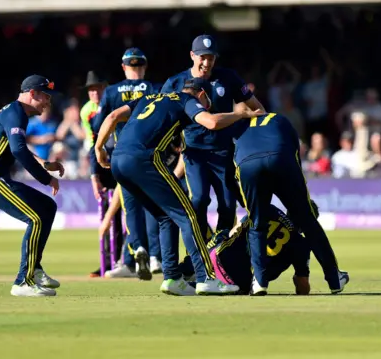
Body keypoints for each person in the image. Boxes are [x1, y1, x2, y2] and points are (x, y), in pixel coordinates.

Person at [95, 78, 258, 295]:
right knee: (189, 215)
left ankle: (172, 278)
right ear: (201, 94)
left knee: (165, 217)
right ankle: (205, 278)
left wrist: (99, 148)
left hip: (118, 162)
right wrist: (241, 114)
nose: (205, 106)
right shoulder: (186, 100)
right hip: (144, 160)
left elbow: (113, 116)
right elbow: (211, 122)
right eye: (206, 101)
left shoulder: (149, 98)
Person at [0, 75, 65, 297]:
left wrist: (44, 163)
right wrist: (46, 178)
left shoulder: (15, 112)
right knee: (36, 217)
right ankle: (23, 282)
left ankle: (34, 268)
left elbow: (18, 147)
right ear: (33, 94)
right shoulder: (16, 113)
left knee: (47, 208)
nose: (48, 102)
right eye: (46, 96)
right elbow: (18, 151)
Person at [231, 112, 349, 295]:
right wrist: (297, 199)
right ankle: (334, 279)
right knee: (308, 221)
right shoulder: (279, 118)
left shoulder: (237, 124)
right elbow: (295, 155)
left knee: (257, 224)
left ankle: (259, 282)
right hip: (280, 159)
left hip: (247, 165)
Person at [161, 34, 265, 234]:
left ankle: (222, 252)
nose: (206, 62)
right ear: (192, 55)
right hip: (194, 153)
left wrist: (264, 132)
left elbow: (257, 108)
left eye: (211, 57)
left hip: (224, 153)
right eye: (202, 57)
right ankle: (202, 251)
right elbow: (161, 115)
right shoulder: (175, 82)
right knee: (199, 199)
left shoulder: (228, 78)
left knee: (227, 205)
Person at [89, 48, 157, 280]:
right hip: (152, 155)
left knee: (132, 207)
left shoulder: (111, 91)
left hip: (123, 155)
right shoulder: (154, 89)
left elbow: (98, 125)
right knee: (153, 205)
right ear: (144, 67)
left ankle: (135, 253)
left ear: (123, 67)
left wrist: (99, 151)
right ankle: (152, 257)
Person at [179, 203, 316, 295]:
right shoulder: (302, 245)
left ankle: (186, 270)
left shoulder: (270, 209)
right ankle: (192, 279)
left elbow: (235, 230)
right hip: (242, 284)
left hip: (220, 258)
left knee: (223, 234)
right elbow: (302, 286)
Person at [78, 71, 126, 278]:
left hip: (124, 157)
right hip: (104, 161)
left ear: (106, 88)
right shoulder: (86, 111)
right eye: (91, 90)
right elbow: (93, 143)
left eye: (98, 88)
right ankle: (109, 261)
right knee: (109, 214)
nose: (94, 93)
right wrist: (93, 175)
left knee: (132, 212)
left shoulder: (116, 101)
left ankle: (130, 258)